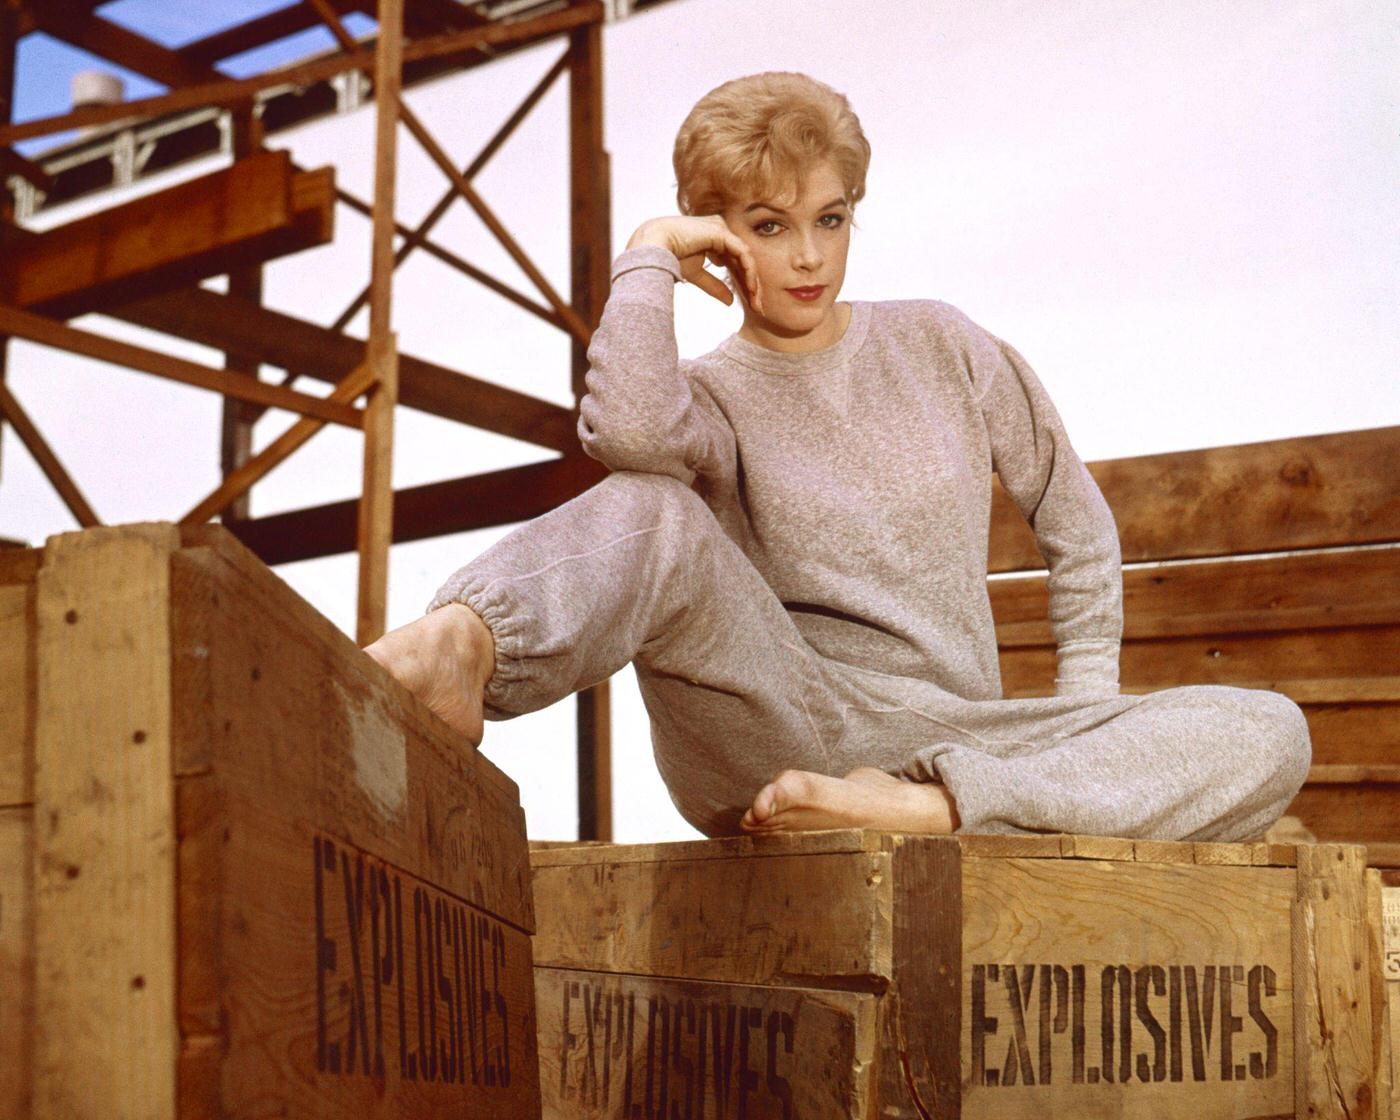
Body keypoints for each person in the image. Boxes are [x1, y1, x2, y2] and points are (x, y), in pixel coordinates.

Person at [364, 71, 1311, 841]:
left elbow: (1078, 527)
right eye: (769, 226)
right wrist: (648, 254)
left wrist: (1081, 731)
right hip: (781, 726)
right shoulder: (709, 396)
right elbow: (633, 436)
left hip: (964, 743)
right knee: (654, 504)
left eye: (830, 218)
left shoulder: (943, 344)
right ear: (718, 238)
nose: (810, 257)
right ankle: (466, 646)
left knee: (1271, 731)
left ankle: (931, 812)